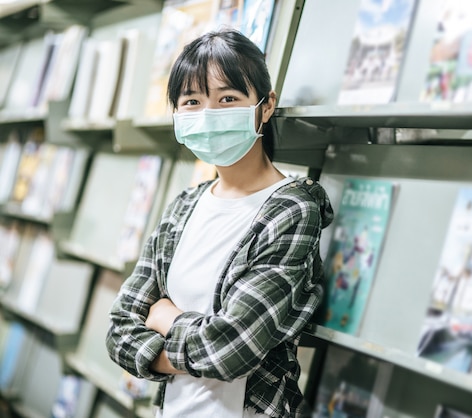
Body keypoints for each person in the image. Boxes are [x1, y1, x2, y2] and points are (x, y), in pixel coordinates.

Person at [106, 28, 334, 418]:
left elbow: (231, 350)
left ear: (265, 106)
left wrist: (167, 318)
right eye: (191, 101)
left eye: (228, 98)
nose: (208, 115)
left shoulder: (292, 209)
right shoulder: (184, 207)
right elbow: (119, 331)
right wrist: (200, 342)